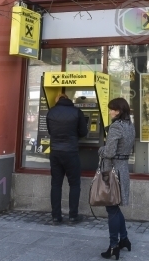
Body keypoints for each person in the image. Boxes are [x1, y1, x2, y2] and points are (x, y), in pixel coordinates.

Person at [98, 97, 135, 260]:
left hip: (112, 171)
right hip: (123, 169)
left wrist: (100, 150)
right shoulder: (129, 125)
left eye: (112, 109)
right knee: (115, 207)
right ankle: (124, 239)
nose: (110, 112)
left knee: (111, 208)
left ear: (119, 111)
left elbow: (109, 152)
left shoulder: (116, 126)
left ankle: (113, 246)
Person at [46, 93, 88, 224]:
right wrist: (74, 135)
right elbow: (84, 132)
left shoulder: (51, 112)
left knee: (56, 184)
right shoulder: (76, 112)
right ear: (68, 99)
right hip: (71, 152)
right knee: (74, 184)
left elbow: (50, 131)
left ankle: (56, 216)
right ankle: (73, 216)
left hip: (55, 152)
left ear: (57, 100)